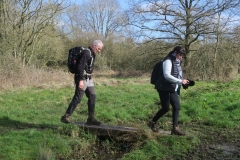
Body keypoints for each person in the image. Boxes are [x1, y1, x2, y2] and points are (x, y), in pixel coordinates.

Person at [61, 40, 104, 125]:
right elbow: (80, 67)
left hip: (88, 78)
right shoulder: (86, 53)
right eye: (98, 49)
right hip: (82, 78)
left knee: (92, 96)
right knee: (78, 98)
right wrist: (80, 80)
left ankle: (91, 119)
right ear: (94, 46)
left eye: (100, 49)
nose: (99, 51)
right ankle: (66, 116)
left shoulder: (92, 54)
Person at [148, 46, 189, 135]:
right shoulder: (168, 60)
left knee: (177, 106)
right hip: (163, 87)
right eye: (180, 55)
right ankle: (152, 122)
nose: (181, 57)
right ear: (175, 52)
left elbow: (177, 76)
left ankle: (175, 128)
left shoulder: (177, 62)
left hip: (171, 87)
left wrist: (183, 82)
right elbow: (167, 75)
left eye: (182, 55)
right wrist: (180, 81)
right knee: (165, 108)